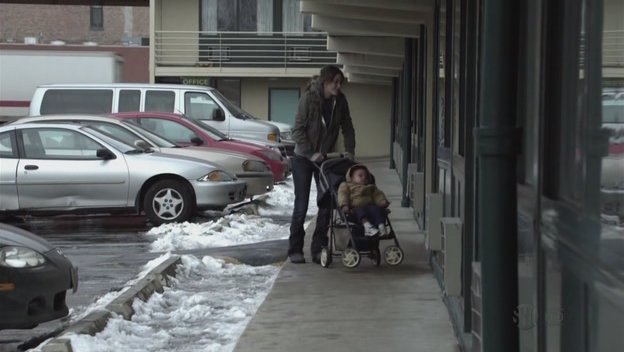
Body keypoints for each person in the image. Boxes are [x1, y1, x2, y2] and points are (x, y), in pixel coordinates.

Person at [288, 65, 356, 264]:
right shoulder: (308, 99)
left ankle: (319, 249)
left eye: (340, 82)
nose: (338, 85)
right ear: (325, 81)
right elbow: (297, 131)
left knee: (326, 202)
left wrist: (350, 150)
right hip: (302, 158)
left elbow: (348, 126)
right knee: (301, 204)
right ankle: (295, 250)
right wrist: (311, 153)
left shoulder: (340, 101)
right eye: (335, 82)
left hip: (324, 159)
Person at [338, 164, 391, 237]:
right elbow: (343, 194)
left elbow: (377, 195)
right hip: (354, 209)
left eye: (366, 176)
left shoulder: (370, 186)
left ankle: (381, 227)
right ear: (351, 178)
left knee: (378, 209)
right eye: (360, 176)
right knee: (360, 211)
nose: (364, 178)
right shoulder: (346, 185)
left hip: (370, 207)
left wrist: (382, 201)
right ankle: (368, 227)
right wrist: (344, 205)